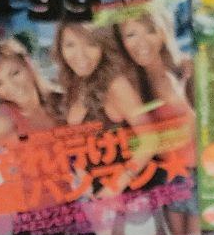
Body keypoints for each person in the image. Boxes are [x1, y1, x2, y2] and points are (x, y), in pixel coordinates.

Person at [52, 21, 161, 209]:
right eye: (70, 45)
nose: (80, 54)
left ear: (103, 46)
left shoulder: (116, 85)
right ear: (60, 49)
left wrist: (114, 187)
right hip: (95, 198)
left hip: (127, 198)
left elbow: (150, 139)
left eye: (90, 44)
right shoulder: (75, 83)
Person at [113, 4, 197, 235]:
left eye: (149, 31)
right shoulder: (131, 83)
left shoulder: (181, 70)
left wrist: (150, 143)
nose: (142, 42)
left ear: (162, 33)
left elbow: (196, 129)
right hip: (168, 176)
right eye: (131, 34)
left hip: (194, 172)